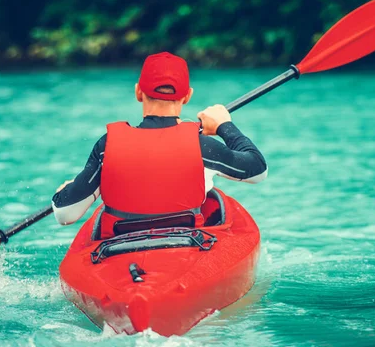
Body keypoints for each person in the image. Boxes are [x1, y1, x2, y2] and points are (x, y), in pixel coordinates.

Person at [52, 51, 267, 238]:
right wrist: (224, 125)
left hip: (119, 252)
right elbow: (257, 170)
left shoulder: (108, 146)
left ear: (138, 92)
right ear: (187, 97)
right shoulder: (200, 146)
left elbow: (66, 214)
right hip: (185, 248)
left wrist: (66, 191)